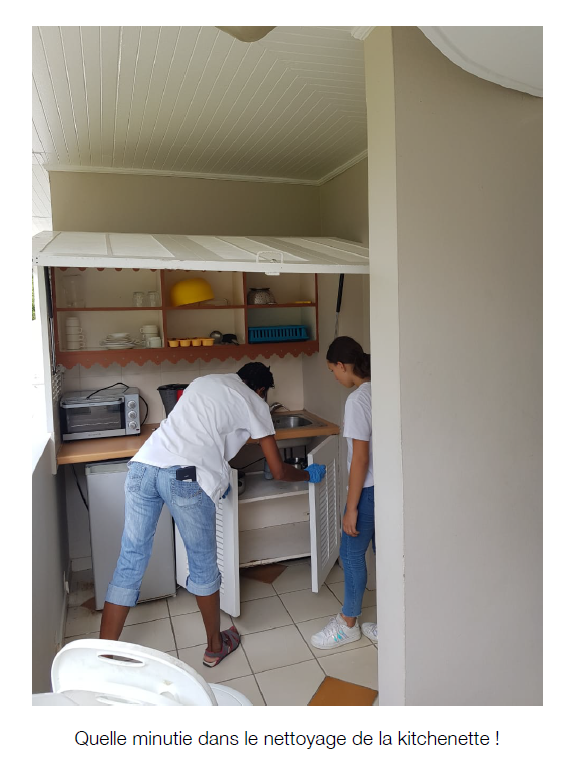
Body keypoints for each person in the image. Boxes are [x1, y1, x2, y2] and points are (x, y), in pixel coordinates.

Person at [99, 362, 326, 666]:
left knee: (130, 560)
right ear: (261, 389)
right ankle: (215, 647)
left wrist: (217, 478)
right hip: (184, 478)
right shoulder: (255, 402)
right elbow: (278, 470)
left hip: (143, 466)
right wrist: (307, 475)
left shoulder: (204, 381)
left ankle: (101, 655)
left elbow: (199, 433)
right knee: (203, 564)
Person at [310, 336, 377, 649]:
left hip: (368, 490)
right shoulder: (382, 389)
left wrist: (351, 508)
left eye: (332, 371)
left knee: (350, 555)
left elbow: (360, 459)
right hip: (388, 488)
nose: (334, 377)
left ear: (342, 365)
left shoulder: (357, 401)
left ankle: (348, 623)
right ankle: (393, 624)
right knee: (385, 556)